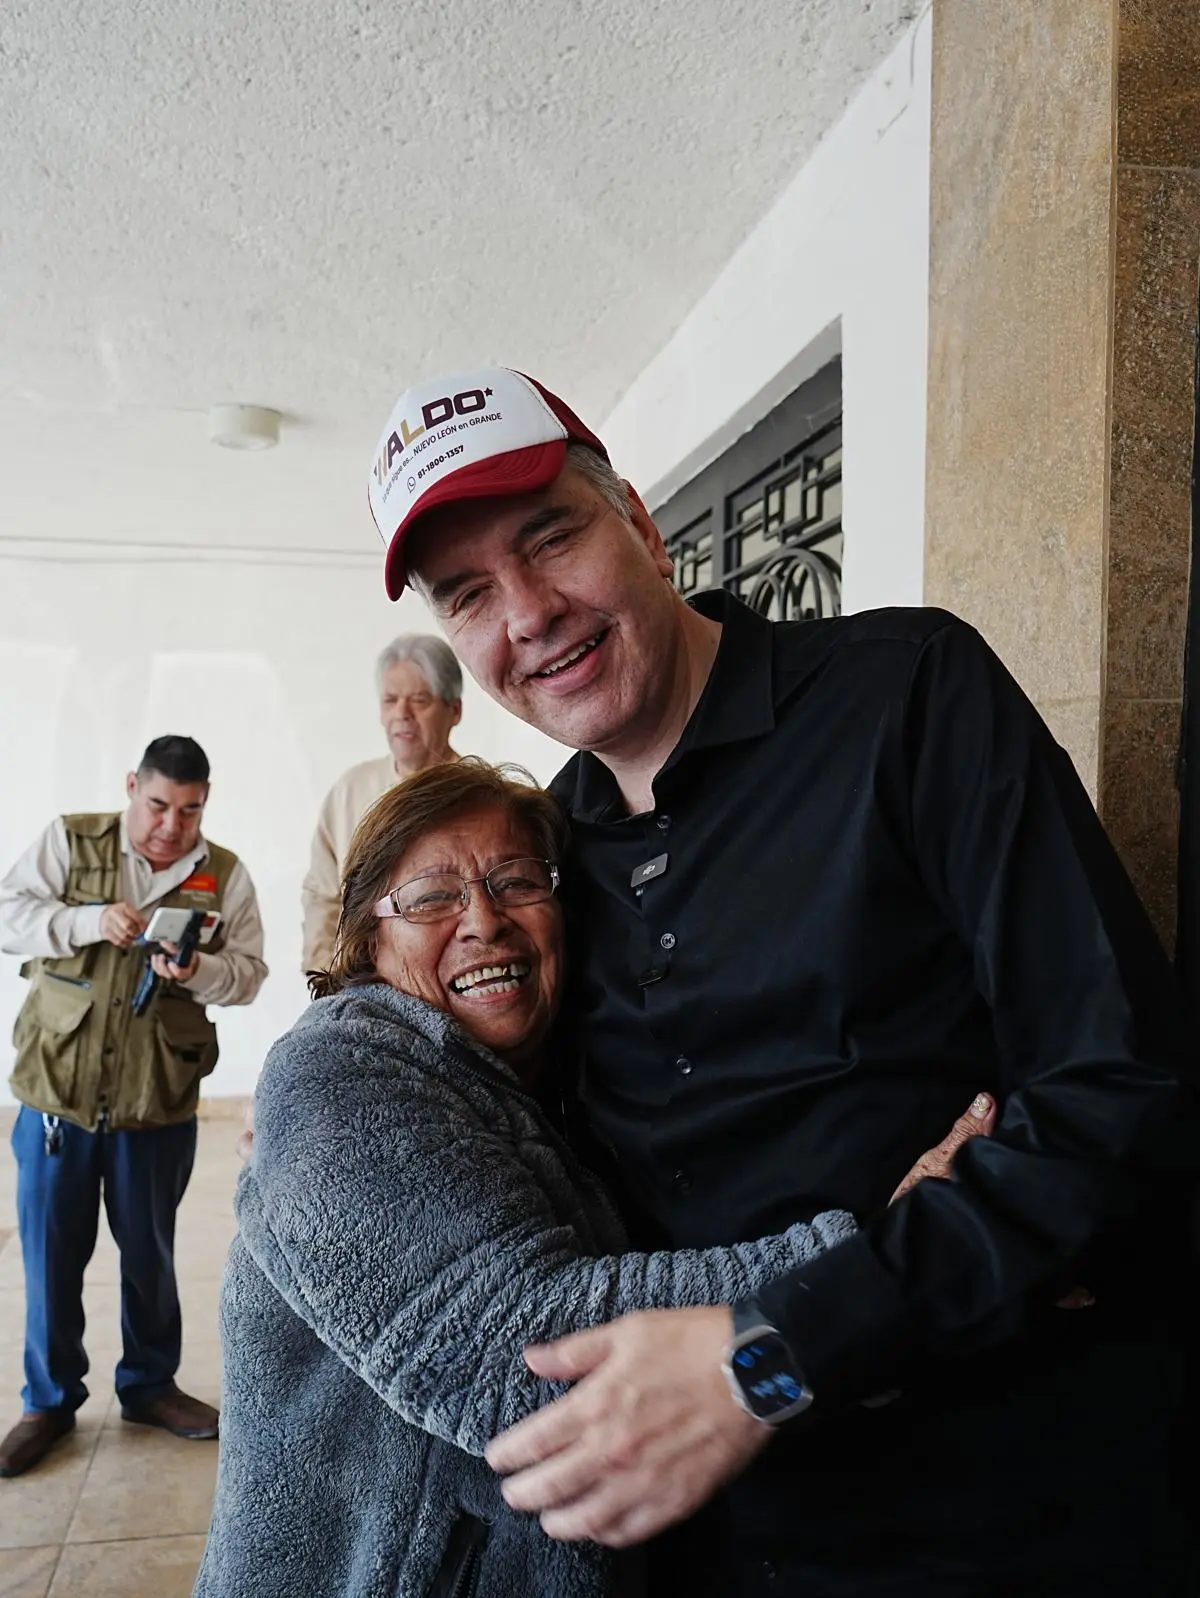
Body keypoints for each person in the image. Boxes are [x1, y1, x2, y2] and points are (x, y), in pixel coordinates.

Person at [366, 366, 1200, 1595]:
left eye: (552, 537)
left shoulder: (908, 691)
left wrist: (774, 1350)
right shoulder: (550, 854)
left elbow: (1120, 1086)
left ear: (640, 523)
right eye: (470, 592)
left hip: (1009, 1509)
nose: (530, 612)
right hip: (712, 1540)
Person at [197, 759, 990, 1598]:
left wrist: (874, 1319)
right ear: (366, 942)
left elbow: (699, 1385)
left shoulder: (558, 1092)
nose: (483, 921)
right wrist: (877, 1269)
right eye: (431, 896)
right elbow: (529, 1363)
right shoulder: (338, 1069)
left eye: (517, 882)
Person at [0, 736, 267, 1480]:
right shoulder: (71, 839)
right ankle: (49, 1403)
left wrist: (198, 969)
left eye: (190, 811)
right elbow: (5, 915)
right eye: (157, 806)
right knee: (51, 1255)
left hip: (158, 1101)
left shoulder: (224, 874)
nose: (171, 827)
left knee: (150, 1252)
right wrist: (87, 922)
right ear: (131, 788)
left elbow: (248, 974)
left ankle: (150, 1387)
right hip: (59, 1097)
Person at [301, 633, 463, 973]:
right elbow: (323, 894)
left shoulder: (480, 796)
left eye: (419, 700)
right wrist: (323, 975)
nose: (402, 714)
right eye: (390, 700)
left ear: (454, 709)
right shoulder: (351, 789)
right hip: (361, 983)